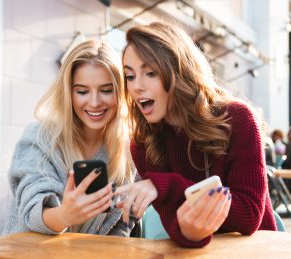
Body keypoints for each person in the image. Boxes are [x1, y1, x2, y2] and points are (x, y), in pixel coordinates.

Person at [115, 22, 277, 248]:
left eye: (150, 73)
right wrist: (189, 231)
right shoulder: (143, 143)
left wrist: (166, 186)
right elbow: (177, 227)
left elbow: (249, 216)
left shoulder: (238, 118)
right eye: (129, 76)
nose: (137, 87)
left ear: (180, 71)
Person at [3, 39, 137, 236]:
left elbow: (123, 224)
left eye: (106, 90)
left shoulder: (128, 152)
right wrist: (65, 215)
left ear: (120, 93)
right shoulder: (39, 139)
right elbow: (32, 211)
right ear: (69, 93)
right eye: (82, 91)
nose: (94, 102)